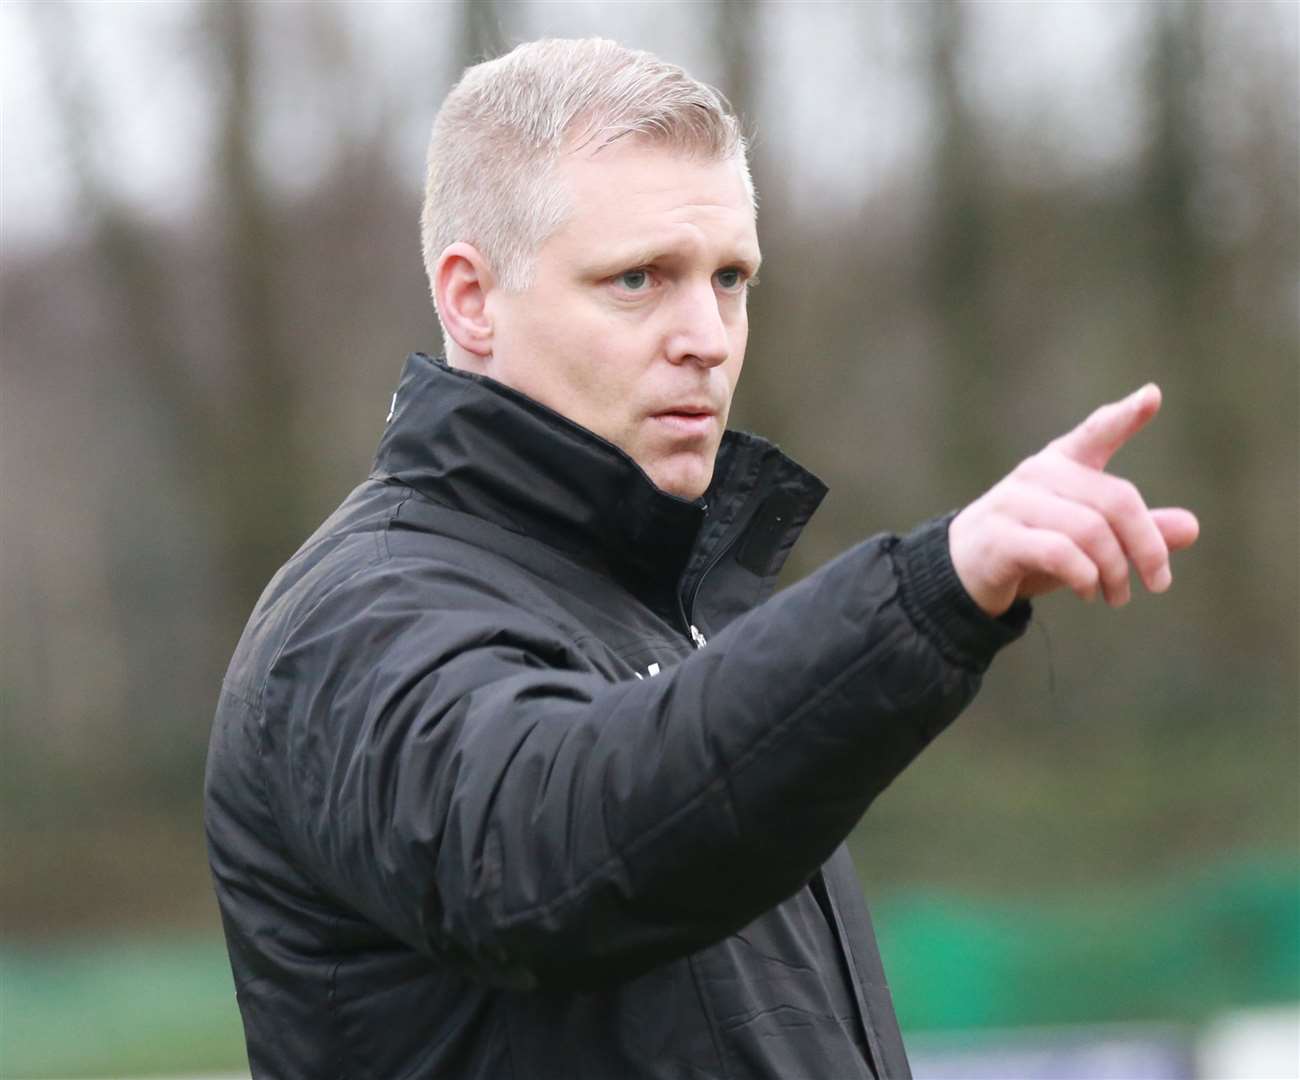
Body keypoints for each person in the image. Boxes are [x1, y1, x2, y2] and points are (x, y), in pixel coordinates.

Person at [204, 38, 1198, 1080]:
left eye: (729, 279)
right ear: (470, 299)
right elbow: (555, 846)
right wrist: (924, 594)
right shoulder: (353, 622)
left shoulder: (661, 617)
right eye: (638, 278)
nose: (707, 337)